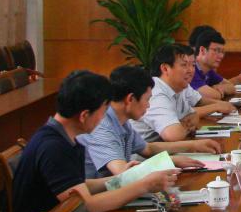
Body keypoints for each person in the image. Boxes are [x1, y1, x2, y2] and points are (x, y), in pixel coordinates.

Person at [12, 69, 179, 212]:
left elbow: (78, 186)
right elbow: (86, 207)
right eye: (102, 112)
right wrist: (144, 185)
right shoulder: (53, 147)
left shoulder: (64, 136)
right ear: (84, 115)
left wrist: (124, 179)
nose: (103, 118)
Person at [81, 64, 214, 178]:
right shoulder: (101, 125)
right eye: (147, 99)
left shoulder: (122, 120)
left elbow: (148, 148)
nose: (149, 105)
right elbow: (124, 173)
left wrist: (193, 145)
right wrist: (169, 162)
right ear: (130, 99)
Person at [131, 43, 234, 151]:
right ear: (165, 68)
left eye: (193, 65)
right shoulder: (156, 93)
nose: (191, 70)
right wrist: (187, 123)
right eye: (184, 65)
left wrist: (185, 122)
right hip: (147, 158)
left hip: (170, 150)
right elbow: (173, 135)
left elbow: (194, 116)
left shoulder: (179, 86)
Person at [190, 28, 241, 99]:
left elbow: (232, 87)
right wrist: (217, 90)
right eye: (216, 50)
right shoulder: (191, 69)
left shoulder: (209, 70)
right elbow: (212, 96)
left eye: (222, 52)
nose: (221, 56)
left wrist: (218, 88)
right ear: (202, 50)